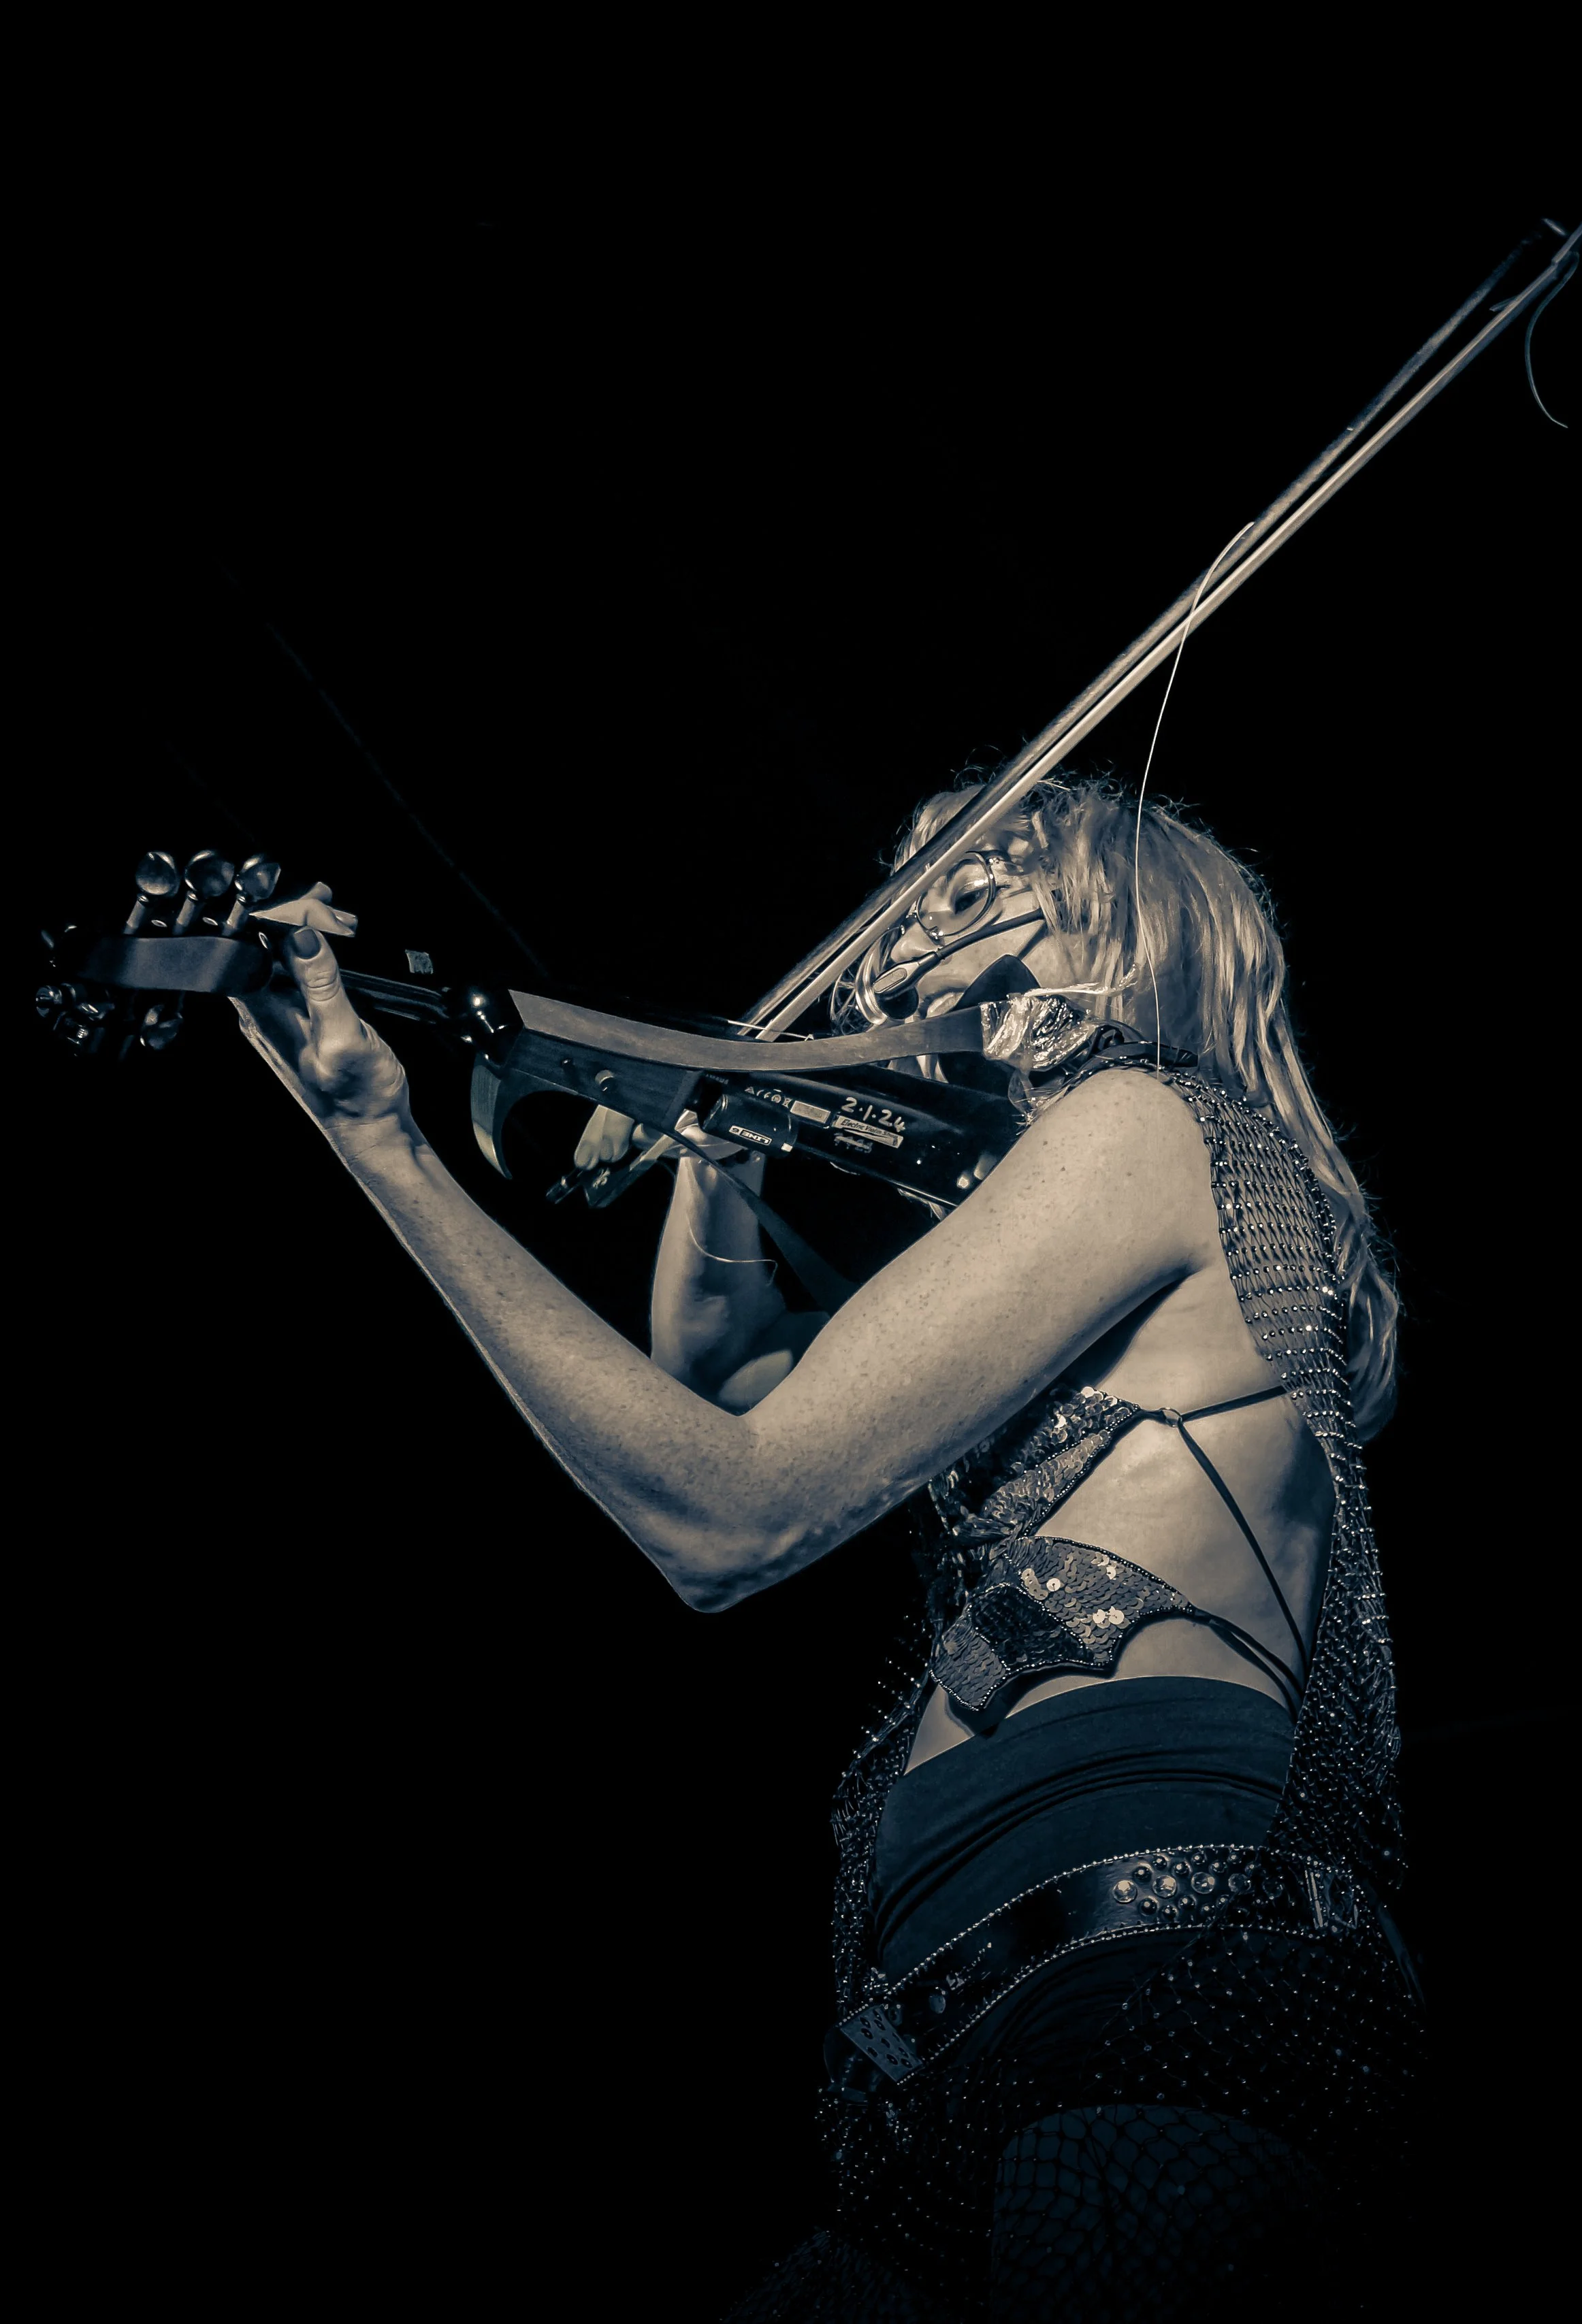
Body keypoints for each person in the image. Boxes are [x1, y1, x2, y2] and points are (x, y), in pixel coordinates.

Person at [236, 770, 1420, 2321]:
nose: (901, 918)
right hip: (948, 2003)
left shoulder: (1139, 1123)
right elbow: (713, 1390)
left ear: (1080, 918)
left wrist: (380, 1135)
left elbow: (727, 1507)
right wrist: (721, 1137)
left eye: (961, 879)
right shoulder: (1071, 1193)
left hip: (1145, 1959)